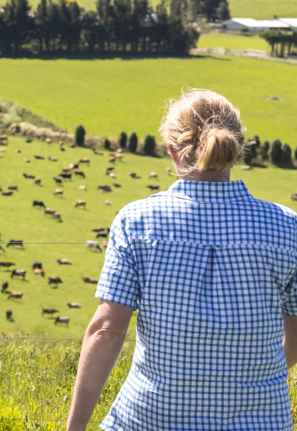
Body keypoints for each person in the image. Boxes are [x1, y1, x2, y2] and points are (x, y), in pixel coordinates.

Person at [67, 89, 297, 431]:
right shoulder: (286, 226)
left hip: (151, 419)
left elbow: (106, 330)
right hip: (261, 422)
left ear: (173, 152)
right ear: (235, 150)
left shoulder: (137, 222)